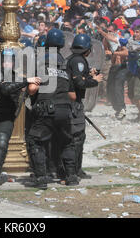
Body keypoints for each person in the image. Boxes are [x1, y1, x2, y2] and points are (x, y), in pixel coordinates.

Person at [26, 29, 81, 189]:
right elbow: (72, 95)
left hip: (46, 110)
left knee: (36, 142)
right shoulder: (65, 66)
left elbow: (32, 89)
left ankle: (41, 178)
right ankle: (71, 176)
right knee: (67, 142)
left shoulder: (40, 63)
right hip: (65, 110)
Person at [0, 48, 41, 188]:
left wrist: (30, 84)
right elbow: (5, 89)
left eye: (10, 61)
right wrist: (26, 81)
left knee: (1, 143)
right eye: (5, 61)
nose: (7, 63)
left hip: (7, 115)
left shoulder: (17, 77)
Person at [66, 34, 103, 179]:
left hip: (71, 102)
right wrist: (94, 81)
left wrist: (88, 74)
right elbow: (79, 83)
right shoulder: (78, 61)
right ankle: (74, 170)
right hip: (73, 104)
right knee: (77, 137)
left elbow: (78, 77)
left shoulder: (73, 59)